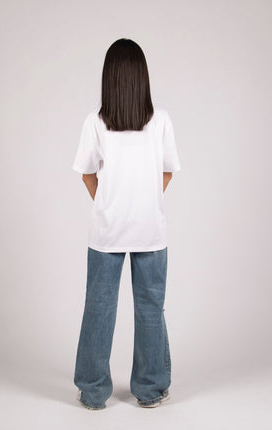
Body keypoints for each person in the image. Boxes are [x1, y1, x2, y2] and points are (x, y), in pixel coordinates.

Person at [72, 38, 181, 410]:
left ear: (109, 79)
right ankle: (150, 389)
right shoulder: (161, 120)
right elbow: (168, 171)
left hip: (106, 231)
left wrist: (108, 203)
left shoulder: (96, 122)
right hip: (151, 230)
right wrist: (146, 200)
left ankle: (92, 391)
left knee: (98, 308)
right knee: (150, 307)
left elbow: (87, 174)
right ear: (142, 78)